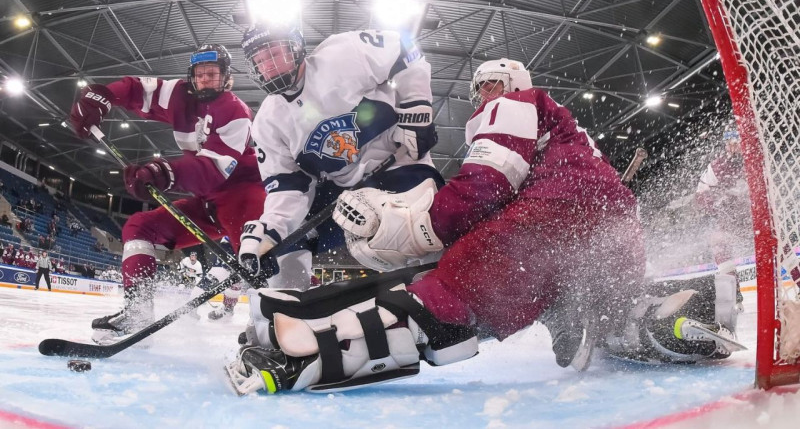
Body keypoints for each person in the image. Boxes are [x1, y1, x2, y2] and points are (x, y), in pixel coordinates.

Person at [224, 58, 744, 394]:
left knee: (446, 301)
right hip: (606, 233)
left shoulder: (519, 103)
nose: (483, 95)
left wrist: (422, 226)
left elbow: (485, 185)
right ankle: (688, 307)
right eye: (479, 88)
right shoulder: (559, 129)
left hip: (553, 222)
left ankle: (303, 356)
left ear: (516, 83)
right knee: (606, 313)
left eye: (492, 84)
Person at [68, 44, 266, 344]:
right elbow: (138, 90)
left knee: (254, 261)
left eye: (212, 74)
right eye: (200, 74)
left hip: (243, 199)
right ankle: (138, 311)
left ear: (227, 78)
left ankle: (270, 327)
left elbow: (214, 170)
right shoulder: (180, 94)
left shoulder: (236, 111)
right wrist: (101, 97)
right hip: (208, 203)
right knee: (138, 226)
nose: (205, 79)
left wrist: (163, 172)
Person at [236, 22, 441, 291]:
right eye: (260, 61)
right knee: (283, 242)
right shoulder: (267, 123)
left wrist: (416, 103)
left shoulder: (341, 54)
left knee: (418, 228)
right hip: (345, 191)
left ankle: (434, 297)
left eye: (275, 53)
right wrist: (272, 231)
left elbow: (404, 47)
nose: (269, 65)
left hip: (399, 165)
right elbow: (288, 187)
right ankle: (286, 308)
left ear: (296, 48)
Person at [694, 128, 748, 307]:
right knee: (719, 245)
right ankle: (736, 294)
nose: (733, 147)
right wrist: (719, 203)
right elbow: (700, 195)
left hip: (753, 215)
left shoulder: (754, 160)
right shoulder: (717, 166)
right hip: (729, 217)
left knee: (776, 240)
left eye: (736, 142)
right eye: (730, 143)